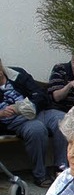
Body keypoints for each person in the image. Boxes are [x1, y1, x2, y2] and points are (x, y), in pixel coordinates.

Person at [0, 59, 67, 187]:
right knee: (37, 129)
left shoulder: (17, 74)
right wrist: (2, 113)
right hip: (18, 122)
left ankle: (61, 169)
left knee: (63, 120)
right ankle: (40, 175)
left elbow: (40, 94)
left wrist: (30, 106)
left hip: (40, 112)